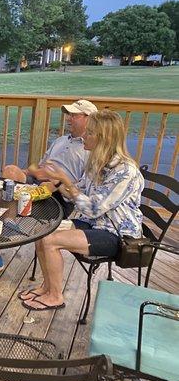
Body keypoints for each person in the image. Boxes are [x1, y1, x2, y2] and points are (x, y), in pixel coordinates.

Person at [18, 110, 144, 310]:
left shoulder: (124, 172)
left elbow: (93, 208)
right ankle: (47, 286)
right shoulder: (97, 164)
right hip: (93, 224)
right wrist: (57, 181)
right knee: (42, 232)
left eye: (90, 133)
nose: (84, 135)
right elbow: (75, 195)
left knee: (51, 240)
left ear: (104, 139)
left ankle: (55, 296)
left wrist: (67, 181)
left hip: (117, 234)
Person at [0, 99, 98, 275]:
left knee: (7, 197)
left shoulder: (91, 149)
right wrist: (25, 171)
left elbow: (84, 187)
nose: (68, 119)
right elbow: (40, 168)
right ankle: (6, 225)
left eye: (74, 115)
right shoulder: (62, 140)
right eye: (68, 115)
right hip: (39, 183)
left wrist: (57, 183)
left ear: (89, 118)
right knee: (10, 173)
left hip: (58, 195)